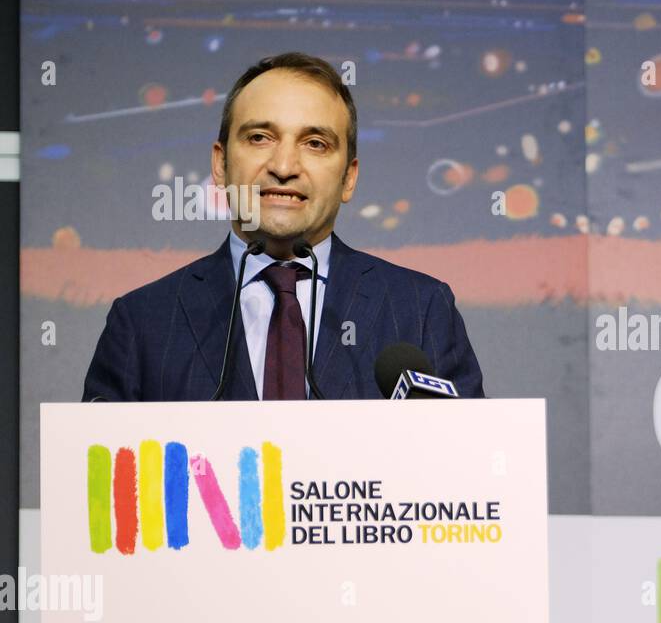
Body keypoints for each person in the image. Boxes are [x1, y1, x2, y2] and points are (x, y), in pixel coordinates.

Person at [82, 52, 484, 401]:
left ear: (348, 178)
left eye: (315, 144)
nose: (284, 166)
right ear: (220, 165)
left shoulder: (422, 310)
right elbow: (99, 479)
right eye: (259, 137)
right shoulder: (141, 323)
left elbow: (467, 469)